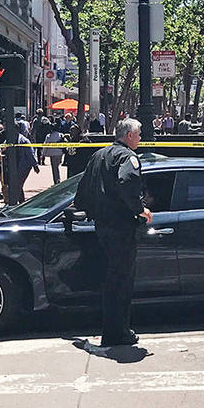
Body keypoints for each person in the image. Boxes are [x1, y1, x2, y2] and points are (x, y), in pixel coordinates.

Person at [74, 118, 152, 347]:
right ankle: (118, 332)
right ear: (129, 136)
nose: (140, 138)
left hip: (102, 226)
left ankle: (112, 330)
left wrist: (85, 210)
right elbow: (127, 181)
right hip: (121, 227)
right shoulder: (127, 157)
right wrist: (141, 209)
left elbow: (82, 189)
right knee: (121, 281)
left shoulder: (99, 155)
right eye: (138, 134)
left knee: (111, 280)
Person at [10, 121, 40, 203]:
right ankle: (21, 202)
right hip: (15, 166)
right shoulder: (9, 139)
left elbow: (30, 154)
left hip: (24, 166)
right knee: (18, 185)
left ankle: (16, 202)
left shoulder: (24, 141)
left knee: (18, 185)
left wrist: (35, 165)